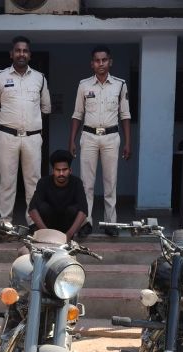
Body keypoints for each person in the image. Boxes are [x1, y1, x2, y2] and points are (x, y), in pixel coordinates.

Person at [0, 35, 51, 225]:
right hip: (8, 137)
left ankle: (32, 222)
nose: (21, 54)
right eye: (18, 50)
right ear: (11, 54)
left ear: (30, 55)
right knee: (7, 182)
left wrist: (30, 122)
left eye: (25, 51)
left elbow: (46, 108)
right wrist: (10, 121)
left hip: (32, 138)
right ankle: (6, 222)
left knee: (33, 182)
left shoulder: (40, 78)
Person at [69, 45, 131, 238]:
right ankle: (85, 222)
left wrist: (128, 142)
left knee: (110, 183)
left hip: (111, 137)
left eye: (104, 60)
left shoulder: (120, 85)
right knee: (86, 184)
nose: (101, 63)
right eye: (97, 60)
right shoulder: (84, 85)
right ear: (92, 64)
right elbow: (77, 114)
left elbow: (125, 115)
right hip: (89, 137)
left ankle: (110, 223)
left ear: (110, 62)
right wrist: (72, 140)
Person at [28, 150, 87, 242]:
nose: (61, 174)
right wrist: (46, 233)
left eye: (64, 170)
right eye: (58, 170)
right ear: (53, 171)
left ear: (70, 170)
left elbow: (83, 211)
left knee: (73, 209)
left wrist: (68, 235)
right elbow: (32, 209)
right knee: (43, 207)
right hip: (48, 226)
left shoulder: (76, 182)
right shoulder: (43, 182)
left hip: (68, 227)